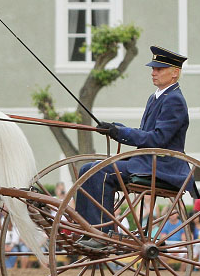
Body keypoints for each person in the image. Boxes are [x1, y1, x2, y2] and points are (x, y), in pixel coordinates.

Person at [76, 46, 191, 251]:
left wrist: (120, 133)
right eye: (153, 68)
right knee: (86, 170)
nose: (153, 72)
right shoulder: (156, 97)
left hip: (163, 165)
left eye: (159, 69)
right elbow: (145, 132)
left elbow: (158, 138)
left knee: (100, 172)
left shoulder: (174, 100)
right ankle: (86, 229)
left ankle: (103, 235)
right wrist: (115, 128)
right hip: (147, 160)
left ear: (175, 72)